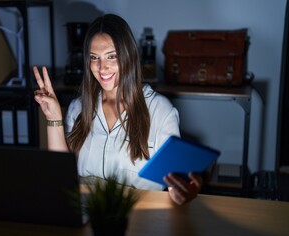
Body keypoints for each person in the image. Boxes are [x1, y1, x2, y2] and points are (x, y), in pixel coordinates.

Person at [33, 13, 202, 205]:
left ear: (128, 56)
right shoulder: (78, 107)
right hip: (88, 210)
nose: (102, 67)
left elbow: (174, 182)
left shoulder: (160, 110)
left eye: (111, 56)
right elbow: (62, 174)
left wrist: (181, 193)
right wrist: (53, 117)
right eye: (94, 57)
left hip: (140, 214)